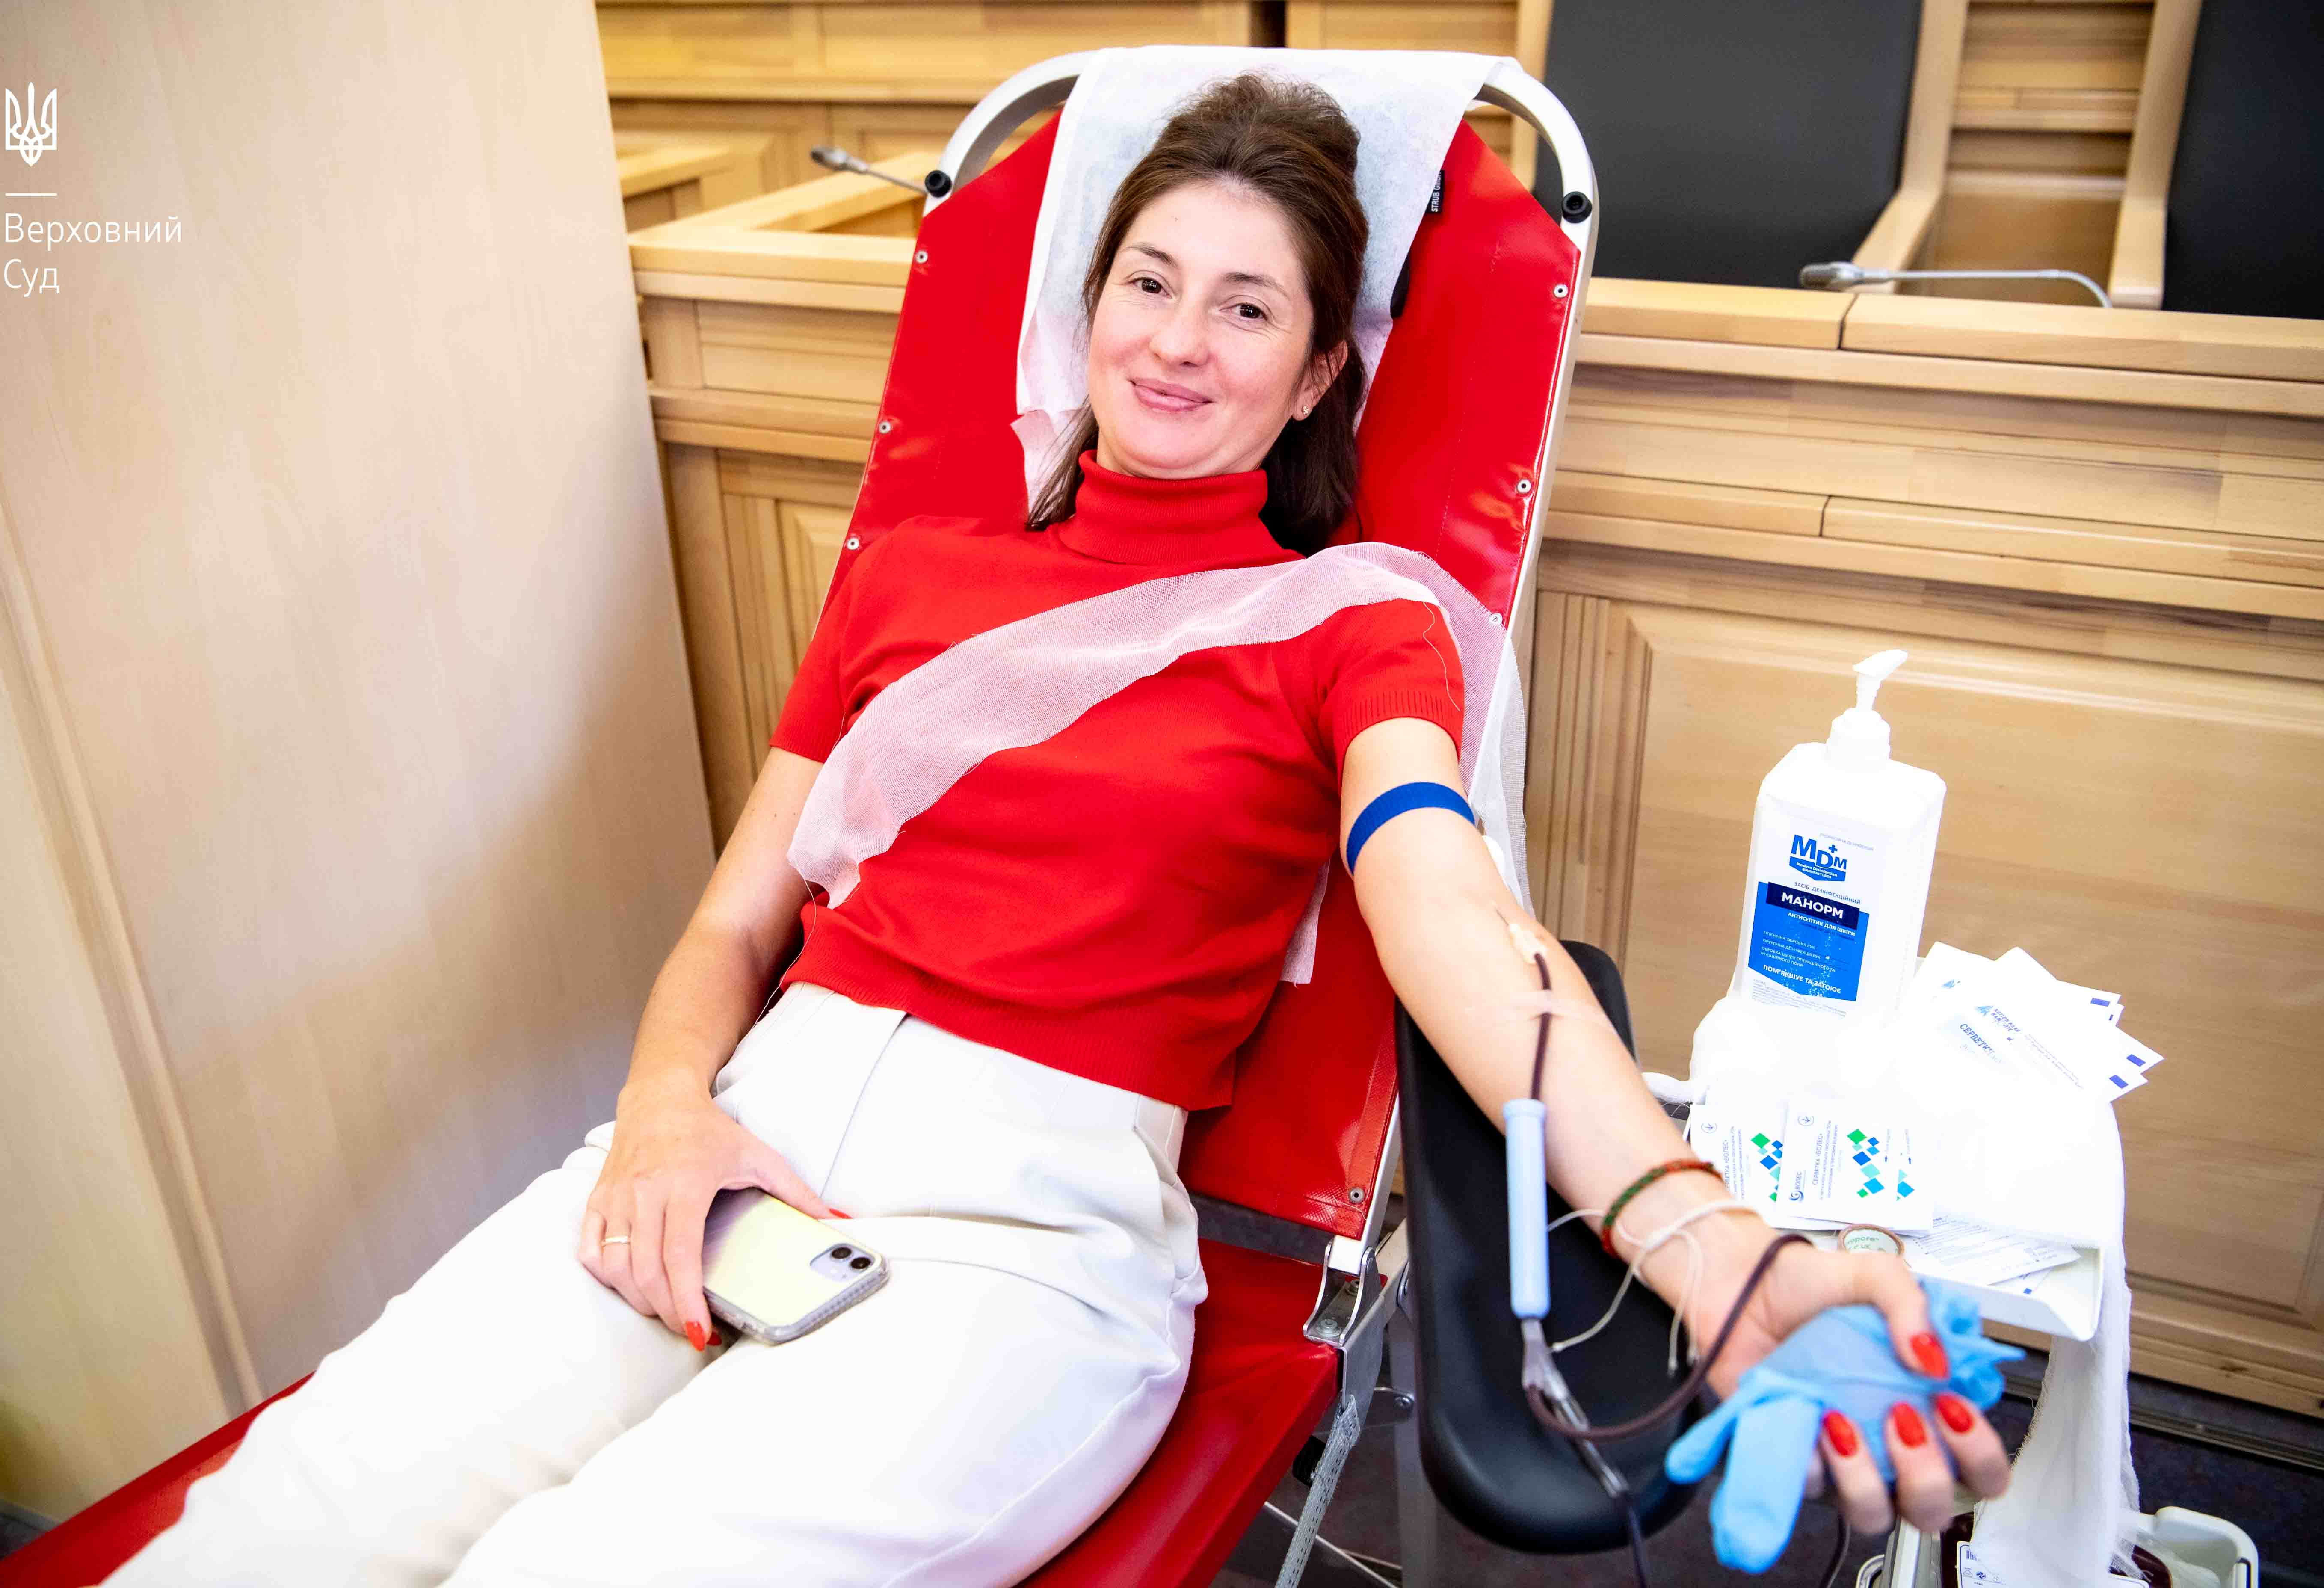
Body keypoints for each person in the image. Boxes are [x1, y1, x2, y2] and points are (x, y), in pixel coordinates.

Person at [112, 74, 2009, 1588]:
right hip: (739, 1135)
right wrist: (669, 1110)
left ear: (1318, 374)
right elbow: (730, 930)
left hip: (1028, 1239)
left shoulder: (1355, 622)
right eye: (1148, 283)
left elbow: (1451, 916)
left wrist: (1714, 1248)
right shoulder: (908, 577)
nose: (1179, 342)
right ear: (1085, 309)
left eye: (1248, 306)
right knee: (282, 1524)